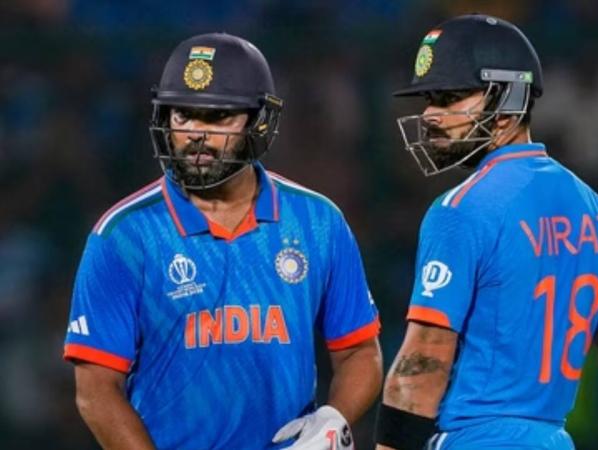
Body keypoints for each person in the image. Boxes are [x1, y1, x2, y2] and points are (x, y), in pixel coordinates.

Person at [62, 32, 382, 449]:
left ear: (259, 121)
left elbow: (360, 352)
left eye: (217, 117)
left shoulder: (319, 222)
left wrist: (334, 418)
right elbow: (96, 392)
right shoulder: (123, 236)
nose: (196, 133)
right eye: (183, 115)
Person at [375, 14, 598, 450]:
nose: (429, 115)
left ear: (509, 102)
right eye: (429, 99)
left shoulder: (461, 209)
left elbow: (425, 358)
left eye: (449, 98)